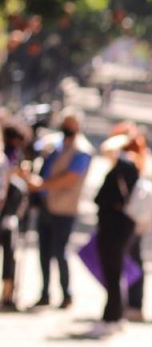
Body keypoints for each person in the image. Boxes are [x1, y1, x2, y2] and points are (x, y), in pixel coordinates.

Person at [29, 109, 93, 310]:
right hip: (46, 204)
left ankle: (66, 294)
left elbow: (70, 178)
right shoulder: (55, 144)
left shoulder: (81, 150)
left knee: (60, 251)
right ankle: (44, 293)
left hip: (64, 208)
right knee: (44, 252)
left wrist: (42, 185)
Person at [87, 133, 147, 338]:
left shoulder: (124, 166)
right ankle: (116, 314)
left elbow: (107, 149)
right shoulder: (134, 167)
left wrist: (124, 137)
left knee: (113, 274)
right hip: (123, 228)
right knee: (116, 273)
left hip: (113, 229)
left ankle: (111, 317)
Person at [1, 125, 30, 311]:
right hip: (7, 211)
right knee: (10, 255)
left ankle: (8, 293)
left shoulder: (15, 157)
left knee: (10, 255)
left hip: (10, 213)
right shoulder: (5, 159)